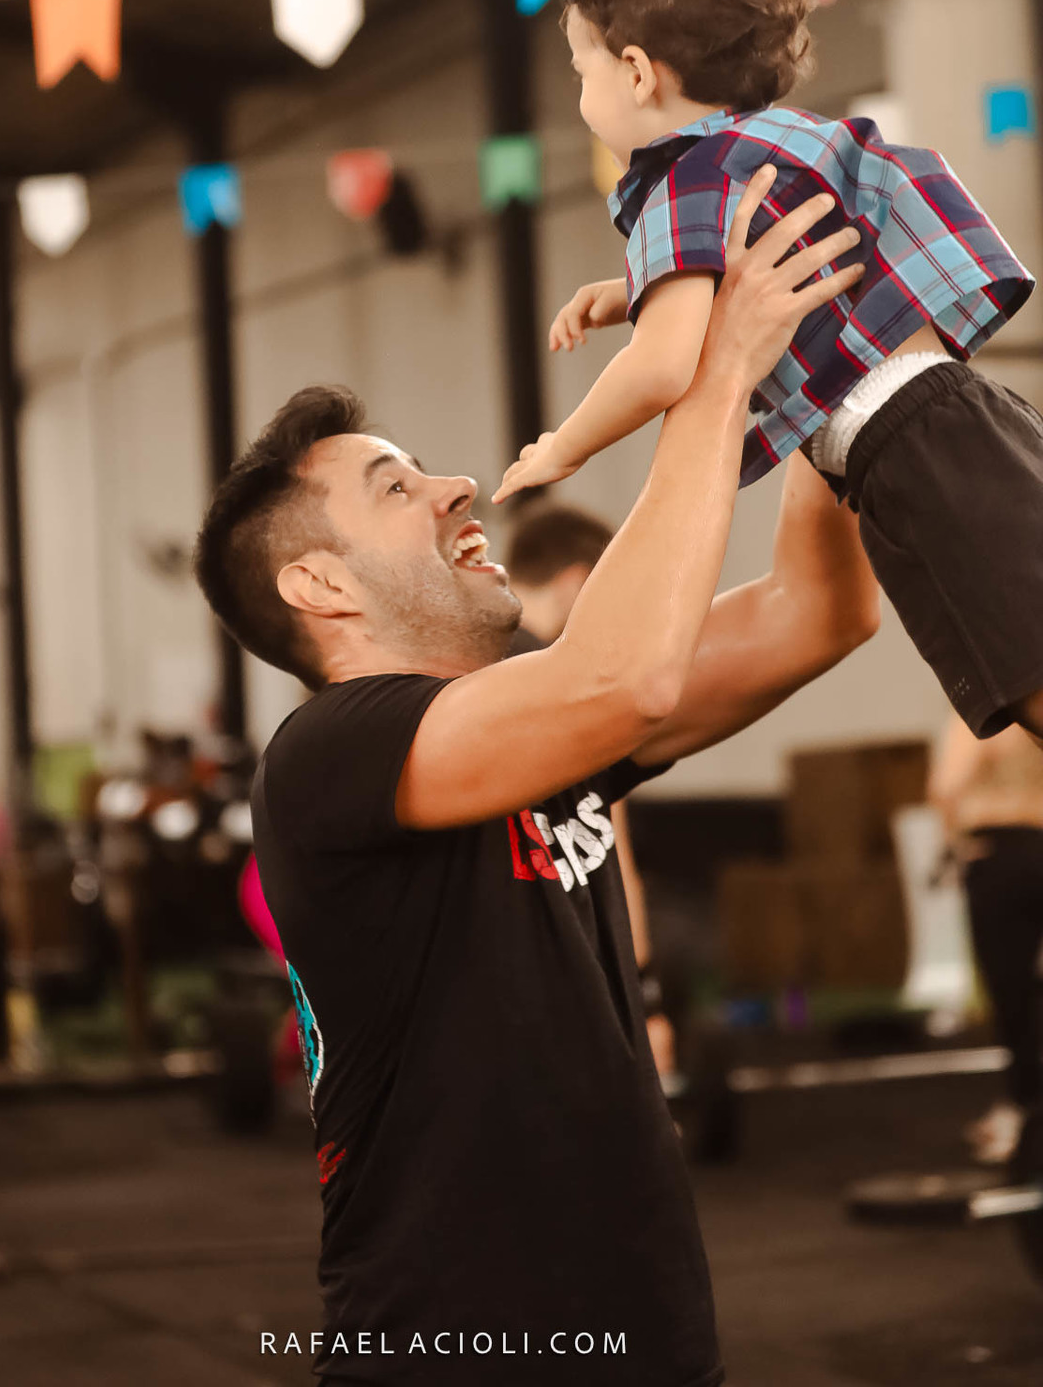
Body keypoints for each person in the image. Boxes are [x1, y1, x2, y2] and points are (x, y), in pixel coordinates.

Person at [192, 166, 877, 1386]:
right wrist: (719, 371)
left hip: (651, 1335)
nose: (457, 486)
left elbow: (816, 612)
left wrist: (826, 359)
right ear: (320, 585)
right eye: (396, 488)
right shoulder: (329, 755)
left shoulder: (536, 728)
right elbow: (627, 678)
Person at [491, 0, 1042, 747]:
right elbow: (743, 271)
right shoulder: (770, 143)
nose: (581, 96)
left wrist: (566, 444)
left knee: (1028, 673)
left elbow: (663, 367)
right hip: (957, 419)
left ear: (635, 72)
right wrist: (631, 293)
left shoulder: (679, 182)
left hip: (911, 449)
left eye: (581, 71)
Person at [505, 502, 675, 1078]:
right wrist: (647, 997)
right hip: (573, 998)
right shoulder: (571, 689)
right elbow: (614, 854)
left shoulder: (463, 680)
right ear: (580, 584)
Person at [929, 714, 1043, 1164]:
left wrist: (955, 843)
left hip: (999, 854)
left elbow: (946, 785)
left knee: (1011, 992)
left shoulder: (981, 712)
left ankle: (1023, 1110)